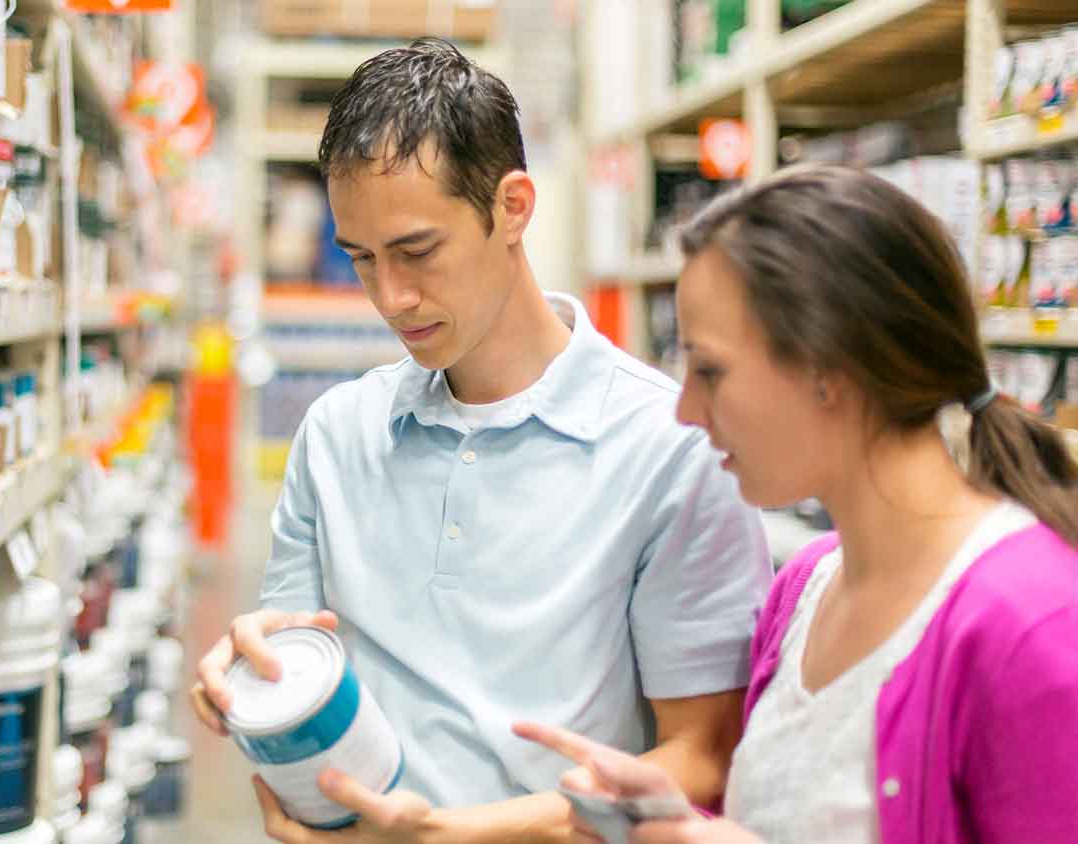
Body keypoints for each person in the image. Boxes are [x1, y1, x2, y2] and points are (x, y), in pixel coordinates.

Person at [190, 38, 773, 842]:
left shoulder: (670, 449)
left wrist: (469, 834)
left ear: (513, 207)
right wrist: (245, 681)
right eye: (361, 259)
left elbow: (703, 758)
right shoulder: (336, 435)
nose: (391, 297)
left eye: (417, 251)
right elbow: (291, 663)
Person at [518, 165, 1078, 843]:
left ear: (830, 369)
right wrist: (676, 822)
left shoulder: (1031, 625)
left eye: (711, 370)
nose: (687, 411)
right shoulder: (804, 591)